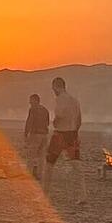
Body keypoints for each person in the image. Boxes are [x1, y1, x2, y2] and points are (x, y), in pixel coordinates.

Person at [44, 77, 86, 205]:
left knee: (49, 165)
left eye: (53, 88)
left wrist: (55, 122)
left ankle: (44, 194)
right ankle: (82, 195)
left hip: (60, 134)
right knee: (76, 166)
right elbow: (79, 120)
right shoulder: (75, 101)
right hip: (72, 134)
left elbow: (59, 116)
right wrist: (75, 133)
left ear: (56, 87)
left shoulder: (60, 99)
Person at [24, 94, 50, 180]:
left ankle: (29, 174)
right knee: (42, 157)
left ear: (35, 100)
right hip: (44, 135)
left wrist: (26, 133)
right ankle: (40, 175)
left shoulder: (33, 109)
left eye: (31, 100)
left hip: (36, 134)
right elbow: (47, 122)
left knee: (31, 155)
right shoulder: (45, 110)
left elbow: (29, 121)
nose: (29, 102)